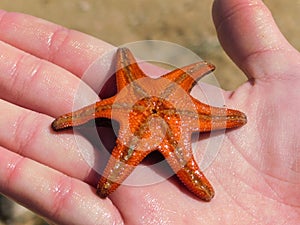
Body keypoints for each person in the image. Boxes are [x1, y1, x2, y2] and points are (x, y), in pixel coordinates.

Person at [0, 0, 299, 224]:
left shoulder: (189, 105)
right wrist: (74, 119)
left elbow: (228, 114)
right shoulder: (133, 87)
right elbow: (122, 68)